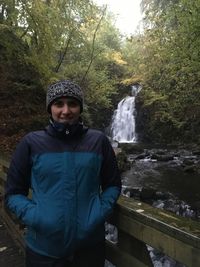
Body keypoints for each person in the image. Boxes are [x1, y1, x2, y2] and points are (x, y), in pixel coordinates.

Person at [5, 79, 121, 267]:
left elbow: (113, 184)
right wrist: (37, 217)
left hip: (90, 249)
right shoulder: (31, 143)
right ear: (50, 108)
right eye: (59, 104)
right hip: (43, 251)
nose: (66, 111)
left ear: (80, 108)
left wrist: (99, 211)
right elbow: (13, 193)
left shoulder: (98, 141)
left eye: (72, 104)